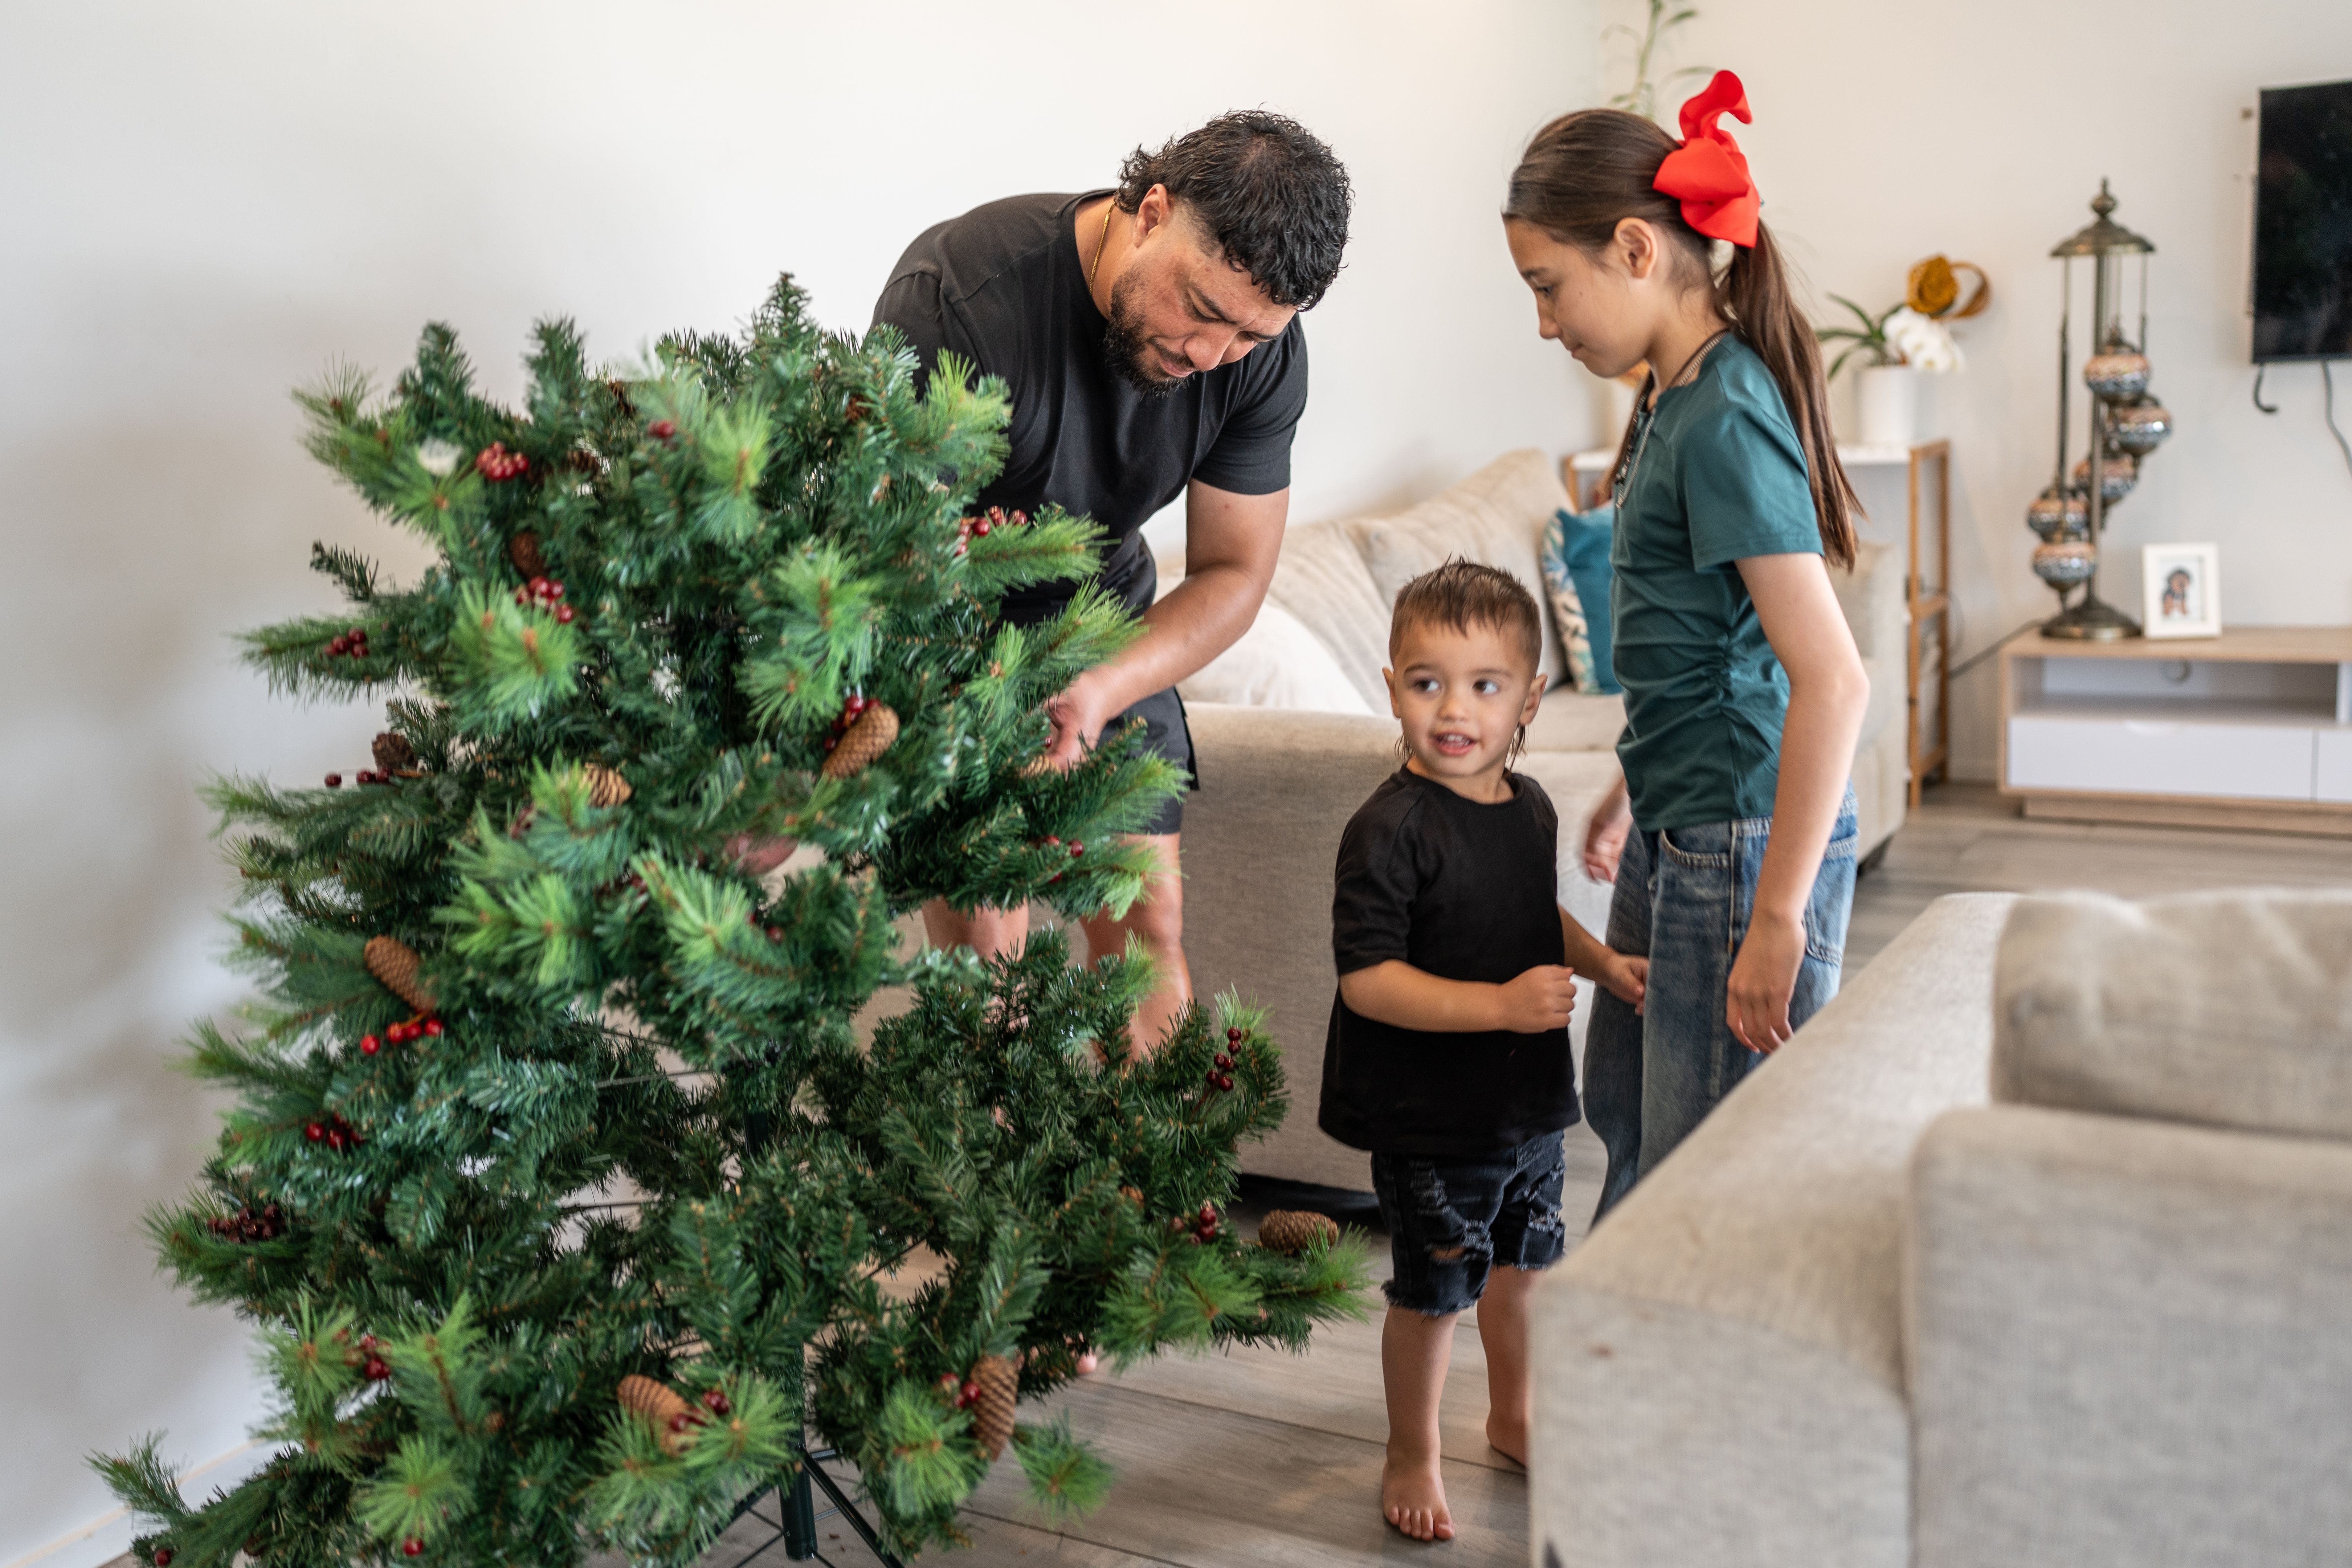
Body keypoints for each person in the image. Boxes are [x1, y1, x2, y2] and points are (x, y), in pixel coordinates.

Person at [871, 112, 1352, 1057]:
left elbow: (1235, 573)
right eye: (1202, 310)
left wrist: (1097, 688)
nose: (1212, 355)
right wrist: (989, 715)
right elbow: (893, 560)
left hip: (1106, 622)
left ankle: (1154, 1156)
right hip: (947, 627)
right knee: (991, 953)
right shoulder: (960, 297)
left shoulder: (1259, 356)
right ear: (1153, 212)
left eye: (1249, 336)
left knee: (1149, 926)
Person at [1500, 72, 1871, 1217]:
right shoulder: (1672, 396)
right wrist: (1633, 783)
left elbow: (1833, 681)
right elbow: (1708, 644)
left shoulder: (1723, 415)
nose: (1545, 323)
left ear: (1633, 248)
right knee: (1631, 1120)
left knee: (1698, 1182)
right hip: (1684, 818)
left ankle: (1652, 1341)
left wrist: (1778, 916)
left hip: (1742, 841)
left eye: (1549, 286)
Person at [1319, 560, 1648, 1543]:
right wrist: (1502, 1007)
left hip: (1528, 1108)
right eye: (1428, 683)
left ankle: (1514, 1415)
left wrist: (1601, 964)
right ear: (1393, 689)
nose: (1454, 709)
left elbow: (1531, 917)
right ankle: (1412, 1451)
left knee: (1526, 1270)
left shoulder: (1532, 805)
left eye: (1484, 686)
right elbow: (1368, 981)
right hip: (1432, 1120)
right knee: (1435, 1296)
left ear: (1529, 701)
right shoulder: (1388, 831)